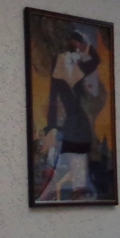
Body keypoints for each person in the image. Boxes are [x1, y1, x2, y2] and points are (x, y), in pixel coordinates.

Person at [40, 29, 100, 201]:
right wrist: (51, 127)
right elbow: (53, 100)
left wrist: (86, 45)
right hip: (68, 122)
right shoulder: (59, 74)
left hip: (79, 121)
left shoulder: (78, 68)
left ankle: (77, 190)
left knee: (78, 156)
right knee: (65, 155)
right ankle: (65, 190)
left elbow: (96, 60)